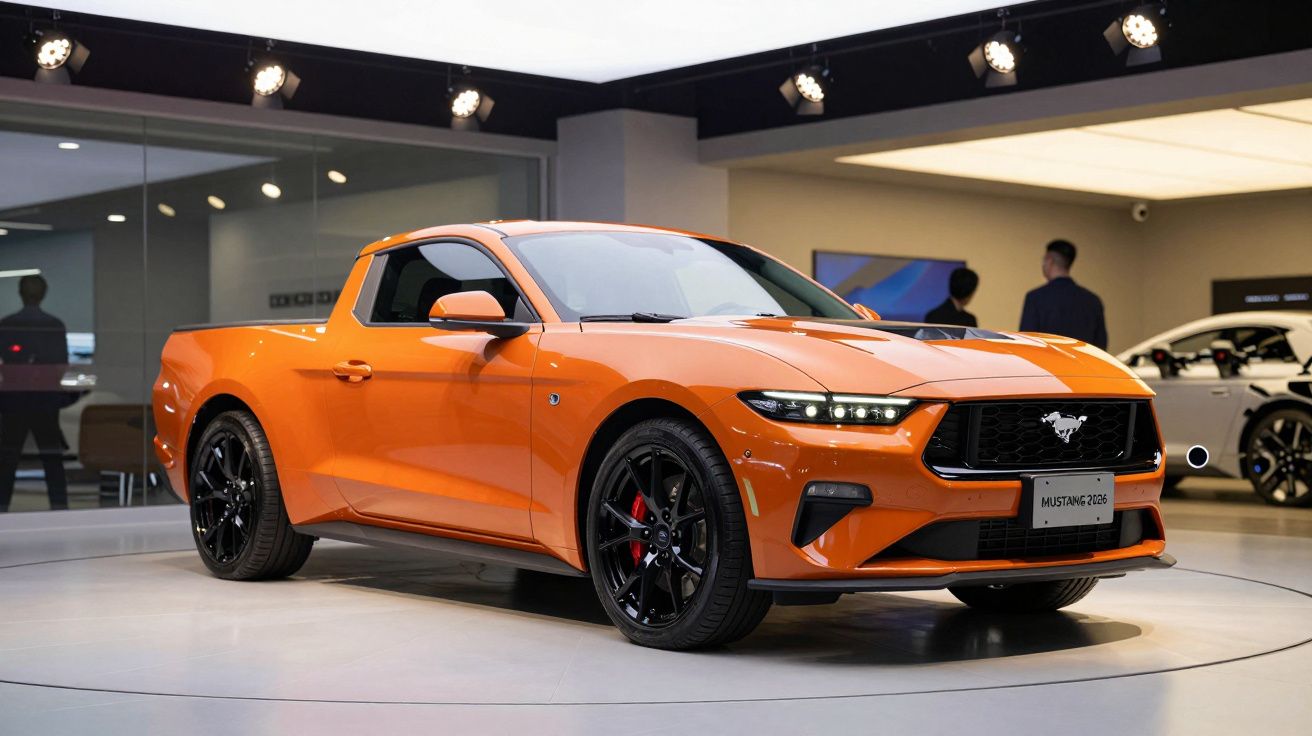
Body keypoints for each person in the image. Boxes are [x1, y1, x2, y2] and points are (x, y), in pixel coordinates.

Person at [0, 275, 69, 512]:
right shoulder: (54, 325)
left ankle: (2, 507)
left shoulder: (7, 324)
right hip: (45, 400)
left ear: (20, 293)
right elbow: (61, 364)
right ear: (44, 294)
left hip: (14, 400)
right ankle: (59, 507)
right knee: (52, 458)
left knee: (8, 459)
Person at [1019, 239, 1108, 349]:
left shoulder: (1036, 298)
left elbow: (1026, 343)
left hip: (1046, 365)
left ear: (1049, 261)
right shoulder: (1093, 301)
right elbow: (1101, 348)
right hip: (1080, 365)